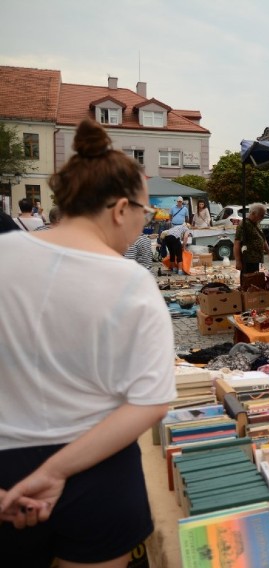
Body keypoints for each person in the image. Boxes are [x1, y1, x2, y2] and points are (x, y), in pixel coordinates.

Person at [0, 119, 175, 567]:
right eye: (144, 210)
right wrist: (54, 473)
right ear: (120, 209)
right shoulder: (131, 281)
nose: (144, 221)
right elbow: (151, 402)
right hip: (97, 468)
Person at [234, 203, 269, 277]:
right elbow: (237, 243)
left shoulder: (256, 223)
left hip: (256, 259)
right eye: (261, 215)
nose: (262, 217)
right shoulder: (244, 224)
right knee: (248, 280)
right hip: (248, 260)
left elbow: (262, 238)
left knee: (255, 279)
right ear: (253, 213)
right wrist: (238, 261)